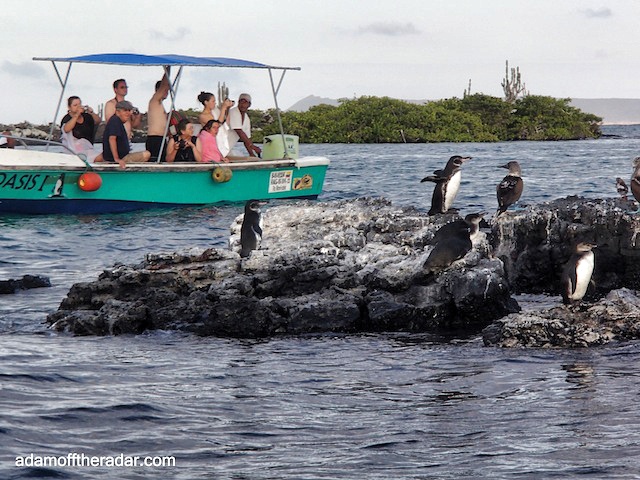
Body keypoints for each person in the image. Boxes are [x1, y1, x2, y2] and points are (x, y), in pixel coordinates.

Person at [102, 101, 151, 168]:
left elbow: (134, 125)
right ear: (117, 112)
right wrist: (117, 159)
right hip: (119, 159)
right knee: (146, 154)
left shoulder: (116, 121)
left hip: (121, 156)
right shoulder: (115, 121)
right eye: (125, 110)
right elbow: (112, 139)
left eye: (129, 110)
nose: (128, 113)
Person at [60, 96, 103, 162]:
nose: (78, 107)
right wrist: (77, 115)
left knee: (102, 156)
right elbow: (66, 129)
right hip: (74, 151)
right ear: (69, 107)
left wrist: (91, 112)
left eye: (79, 104)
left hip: (88, 148)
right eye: (75, 105)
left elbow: (98, 121)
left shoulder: (86, 116)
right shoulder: (66, 119)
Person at [197, 91, 234, 156]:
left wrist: (227, 108)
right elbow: (217, 125)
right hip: (210, 143)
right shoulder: (203, 116)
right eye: (213, 101)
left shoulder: (215, 111)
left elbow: (225, 121)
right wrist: (223, 108)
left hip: (219, 141)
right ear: (206, 102)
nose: (215, 103)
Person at [145, 72, 171, 162]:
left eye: (167, 90)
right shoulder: (154, 100)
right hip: (154, 138)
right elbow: (164, 85)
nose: (166, 92)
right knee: (155, 162)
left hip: (162, 139)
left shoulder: (161, 105)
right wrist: (168, 69)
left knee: (163, 161)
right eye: (165, 90)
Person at [226, 93, 261, 157]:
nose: (243, 105)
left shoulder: (247, 118)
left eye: (245, 102)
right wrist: (252, 146)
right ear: (238, 102)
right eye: (241, 102)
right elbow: (239, 131)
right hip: (220, 146)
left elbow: (247, 139)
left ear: (249, 105)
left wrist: (252, 154)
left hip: (227, 149)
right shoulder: (233, 112)